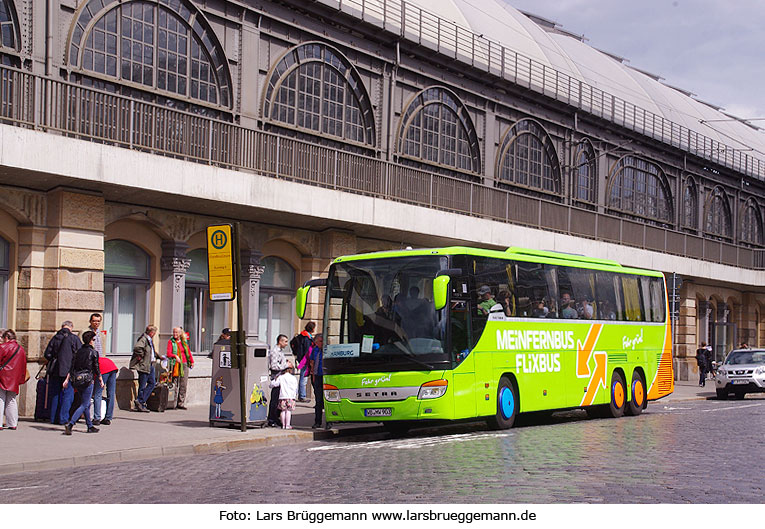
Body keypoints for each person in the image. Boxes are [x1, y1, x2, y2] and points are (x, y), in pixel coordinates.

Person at [63, 331, 103, 435]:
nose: (94, 342)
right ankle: (71, 424)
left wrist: (67, 379)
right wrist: (100, 379)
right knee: (85, 404)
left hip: (77, 379)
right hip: (87, 379)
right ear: (90, 340)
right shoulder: (94, 352)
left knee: (85, 403)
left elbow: (72, 367)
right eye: (93, 340)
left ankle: (90, 426)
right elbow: (96, 367)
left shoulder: (78, 352)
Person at [43, 321, 83, 425]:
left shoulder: (55, 338)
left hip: (55, 370)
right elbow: (79, 354)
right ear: (71, 327)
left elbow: (47, 354)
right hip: (69, 370)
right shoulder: (74, 338)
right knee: (67, 395)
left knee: (55, 394)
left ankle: (53, 418)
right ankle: (64, 418)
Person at [130, 325, 164, 412]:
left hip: (150, 365)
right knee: (142, 385)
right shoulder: (144, 339)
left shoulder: (149, 340)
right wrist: (142, 356)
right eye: (154, 332)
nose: (155, 334)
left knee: (152, 383)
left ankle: (141, 401)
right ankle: (140, 402)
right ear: (151, 332)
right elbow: (137, 348)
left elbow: (151, 352)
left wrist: (159, 356)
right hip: (144, 365)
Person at [0, 330, 27, 431]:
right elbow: (23, 366)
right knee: (11, 400)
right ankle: (12, 423)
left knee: (0, 399)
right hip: (14, 377)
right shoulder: (21, 349)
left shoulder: (3, 347)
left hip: (2, 376)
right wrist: (21, 378)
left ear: (6, 338)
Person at [267, 334, 293, 427]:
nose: (286, 344)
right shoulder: (275, 351)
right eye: (285, 341)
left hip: (281, 378)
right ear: (280, 341)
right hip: (277, 378)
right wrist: (286, 365)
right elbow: (273, 366)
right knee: (275, 399)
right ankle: (271, 419)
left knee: (280, 400)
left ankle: (277, 418)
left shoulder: (280, 352)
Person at [167, 326, 194, 410]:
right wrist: (175, 356)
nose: (175, 334)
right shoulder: (171, 342)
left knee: (183, 384)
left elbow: (188, 352)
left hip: (184, 364)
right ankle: (173, 403)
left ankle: (181, 403)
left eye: (176, 332)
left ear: (180, 333)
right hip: (175, 364)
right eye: (174, 332)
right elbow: (168, 353)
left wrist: (191, 361)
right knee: (175, 383)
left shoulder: (183, 342)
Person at [293, 322, 315, 402]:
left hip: (302, 359)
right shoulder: (306, 337)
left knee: (303, 377)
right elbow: (307, 350)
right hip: (305, 360)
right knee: (304, 378)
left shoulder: (302, 335)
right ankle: (302, 396)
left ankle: (301, 395)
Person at [94, 355, 118, 425]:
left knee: (97, 393)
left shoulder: (90, 361)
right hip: (112, 367)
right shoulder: (97, 358)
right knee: (111, 393)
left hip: (103, 370)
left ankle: (97, 418)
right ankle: (108, 417)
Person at [309, 333, 325, 429]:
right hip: (317, 377)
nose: (322, 343)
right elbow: (312, 363)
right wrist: (313, 376)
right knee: (318, 400)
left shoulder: (326, 350)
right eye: (320, 341)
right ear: (316, 342)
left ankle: (330, 420)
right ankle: (317, 421)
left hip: (326, 377)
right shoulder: (315, 350)